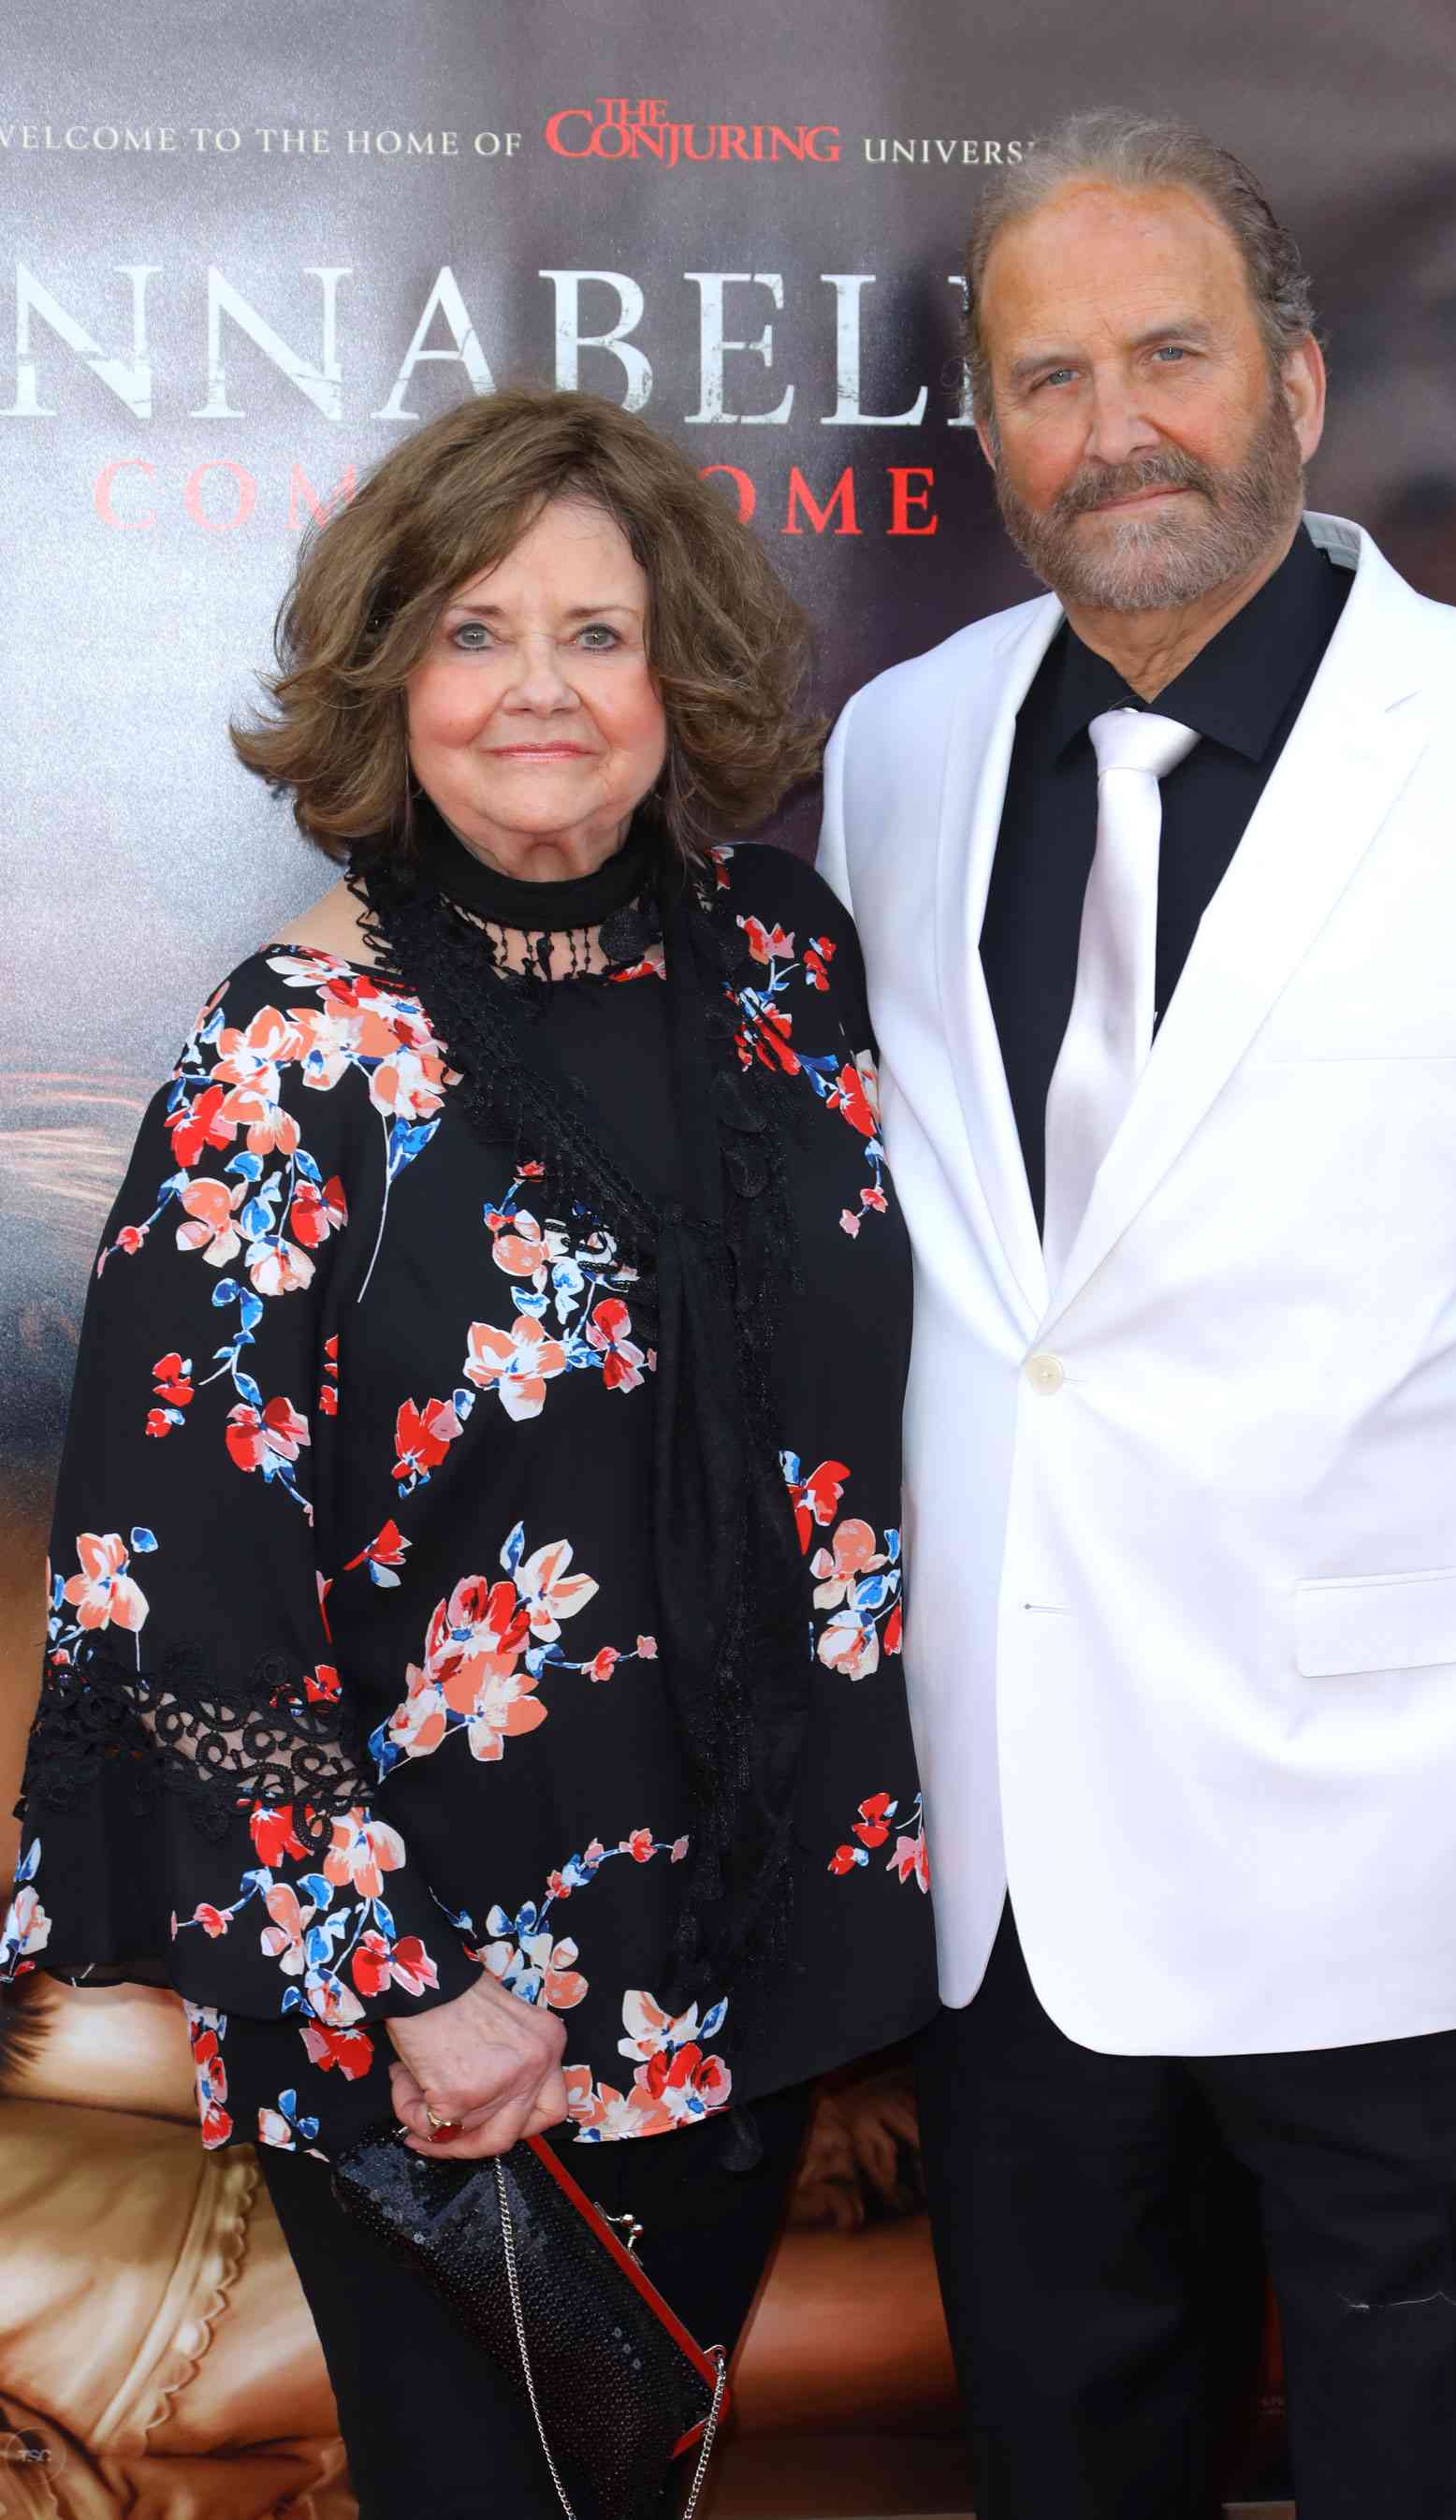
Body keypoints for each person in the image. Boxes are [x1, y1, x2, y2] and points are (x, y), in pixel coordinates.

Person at [816, 109, 1456, 2520]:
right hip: (1020, 1886)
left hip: (1426, 1883)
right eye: (1046, 377)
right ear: (986, 432)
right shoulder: (904, 748)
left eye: (1171, 354)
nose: (1113, 424)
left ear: (1299, 381)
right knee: (1067, 2469)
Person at [1, 384, 936, 2519]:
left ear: (672, 671)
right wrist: (413, 1990)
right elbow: (166, 1600)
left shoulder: (792, 974)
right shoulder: (293, 1053)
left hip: (754, 1953)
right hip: (441, 2014)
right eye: (474, 632)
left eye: (595, 633)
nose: (541, 690)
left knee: (638, 2497)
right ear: (387, 677)